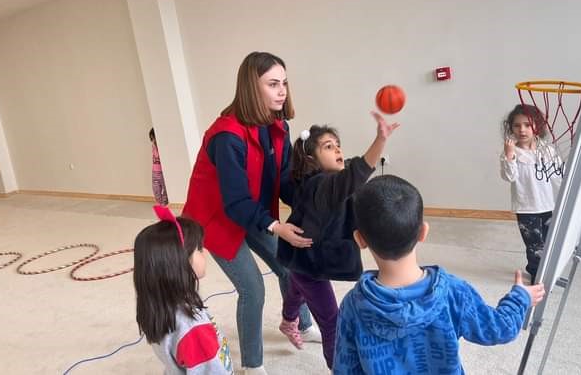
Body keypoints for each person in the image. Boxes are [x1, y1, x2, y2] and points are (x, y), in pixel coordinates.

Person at [182, 52, 318, 375]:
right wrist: (276, 227)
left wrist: (314, 200)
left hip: (251, 210)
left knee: (290, 264)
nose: (282, 90)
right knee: (253, 288)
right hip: (216, 219)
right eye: (273, 84)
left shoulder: (277, 125)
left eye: (283, 83)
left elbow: (284, 180)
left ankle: (300, 322)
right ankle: (253, 366)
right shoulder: (227, 135)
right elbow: (234, 202)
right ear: (250, 88)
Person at [333, 175, 546, 374]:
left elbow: (345, 368)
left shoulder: (353, 304)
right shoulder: (453, 292)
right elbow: (500, 328)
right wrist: (520, 298)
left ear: (360, 240)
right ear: (423, 232)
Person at [276, 112, 399, 369]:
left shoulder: (328, 182)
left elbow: (353, 183)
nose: (337, 150)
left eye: (337, 145)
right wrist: (380, 140)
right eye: (328, 147)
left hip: (305, 259)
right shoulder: (321, 184)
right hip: (308, 263)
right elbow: (356, 174)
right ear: (312, 159)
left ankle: (288, 319)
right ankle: (338, 368)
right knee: (333, 322)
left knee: (297, 287)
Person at [134, 205, 232, 374]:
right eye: (199, 249)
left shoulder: (160, 306)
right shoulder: (193, 328)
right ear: (179, 264)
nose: (205, 252)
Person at [500, 104, 563, 283]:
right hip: (526, 208)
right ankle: (537, 274)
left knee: (549, 242)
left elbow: (557, 177)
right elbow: (509, 176)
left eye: (527, 125)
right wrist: (509, 156)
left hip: (547, 205)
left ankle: (545, 269)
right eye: (517, 125)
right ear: (510, 128)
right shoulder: (511, 153)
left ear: (537, 126)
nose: (522, 130)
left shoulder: (547, 150)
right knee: (535, 245)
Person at [150, 128, 169, 206]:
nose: (153, 140)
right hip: (155, 171)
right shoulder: (153, 146)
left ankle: (164, 202)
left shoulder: (161, 146)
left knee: (165, 188)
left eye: (153, 138)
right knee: (156, 189)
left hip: (162, 172)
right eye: (151, 139)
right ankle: (160, 202)